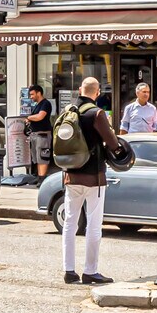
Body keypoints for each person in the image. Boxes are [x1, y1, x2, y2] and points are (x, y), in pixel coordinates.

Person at [58, 76, 124, 285]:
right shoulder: (96, 113)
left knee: (70, 223)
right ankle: (90, 271)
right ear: (97, 93)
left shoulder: (68, 112)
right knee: (94, 225)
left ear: (80, 90)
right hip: (93, 177)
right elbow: (112, 143)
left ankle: (69, 271)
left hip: (71, 175)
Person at [22, 85, 53, 179]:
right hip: (35, 134)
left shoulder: (45, 104)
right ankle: (38, 177)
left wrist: (29, 118)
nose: (31, 97)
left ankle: (42, 178)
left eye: (32, 94)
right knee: (37, 158)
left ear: (39, 93)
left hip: (42, 135)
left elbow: (40, 116)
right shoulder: (37, 105)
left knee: (42, 157)